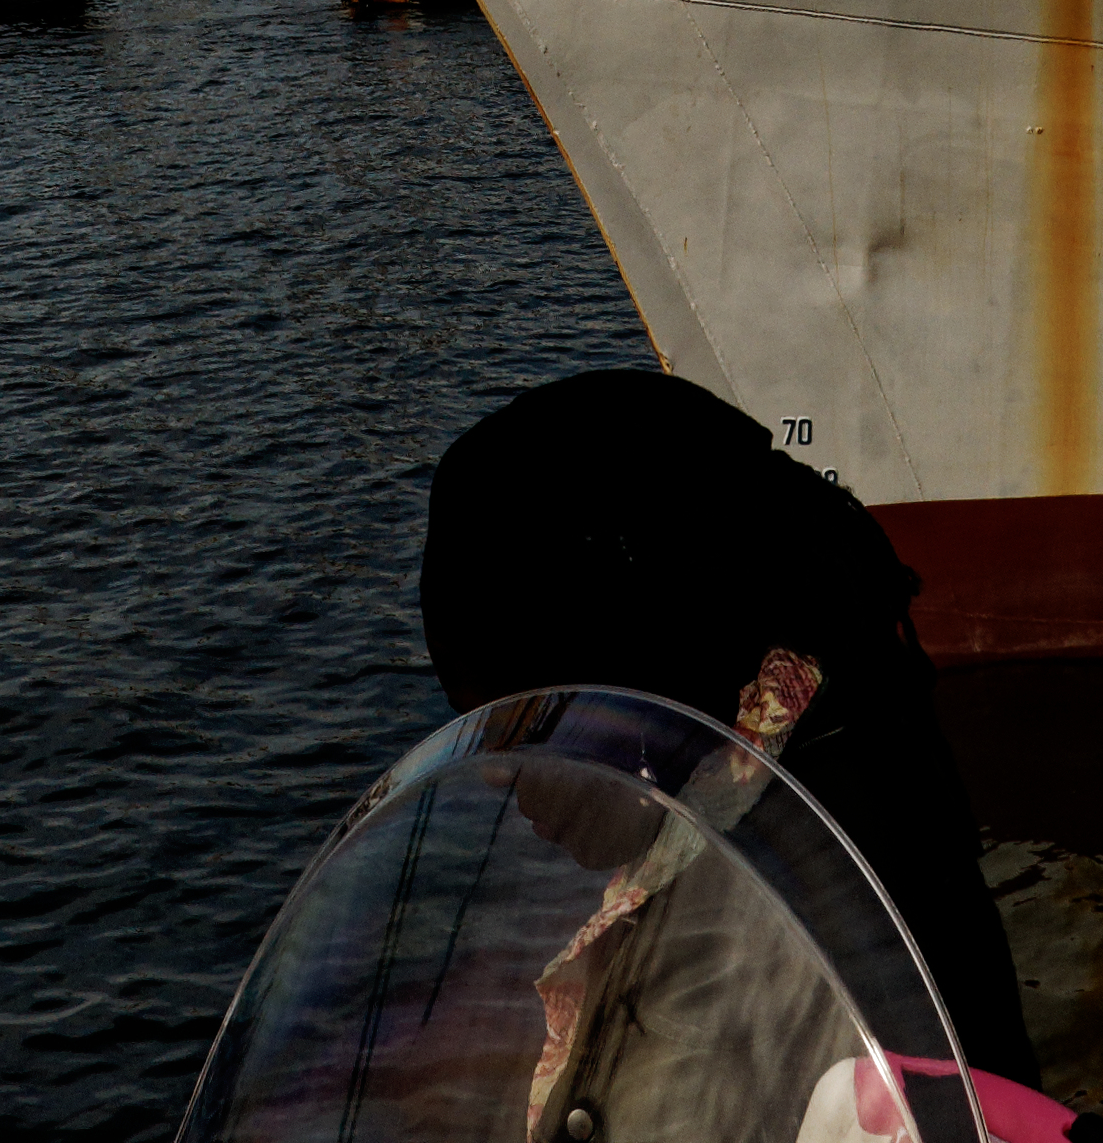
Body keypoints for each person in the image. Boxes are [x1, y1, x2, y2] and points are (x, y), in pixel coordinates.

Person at [421, 371, 1044, 1103]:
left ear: (635, 661)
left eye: (521, 716)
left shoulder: (771, 906)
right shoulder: (827, 751)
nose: (496, 772)